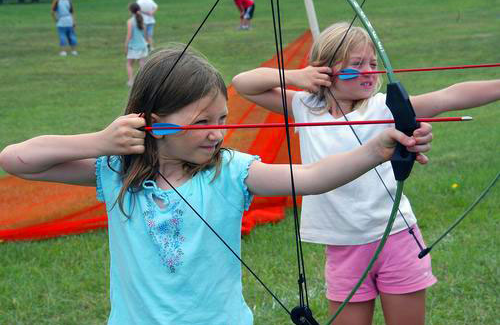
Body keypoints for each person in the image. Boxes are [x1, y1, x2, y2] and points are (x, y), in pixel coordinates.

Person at [0, 45, 432, 325]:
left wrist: (378, 149)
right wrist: (97, 142)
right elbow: (17, 159)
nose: (215, 133)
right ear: (154, 123)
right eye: (201, 122)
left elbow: (314, 178)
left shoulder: (231, 170)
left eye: (221, 119)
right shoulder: (117, 169)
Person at [232, 22, 500, 325]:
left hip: (395, 237)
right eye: (356, 65)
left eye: (373, 63)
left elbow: (449, 97)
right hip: (343, 245)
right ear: (324, 71)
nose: (369, 71)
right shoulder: (304, 106)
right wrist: (296, 76)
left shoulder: (385, 107)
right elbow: (243, 83)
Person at [125, 3, 148, 87]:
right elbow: (145, 34)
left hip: (134, 46)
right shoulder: (141, 19)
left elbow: (129, 35)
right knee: (142, 64)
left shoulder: (130, 21)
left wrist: (126, 45)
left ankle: (131, 81)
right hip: (143, 45)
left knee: (129, 64)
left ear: (130, 11)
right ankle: (143, 81)